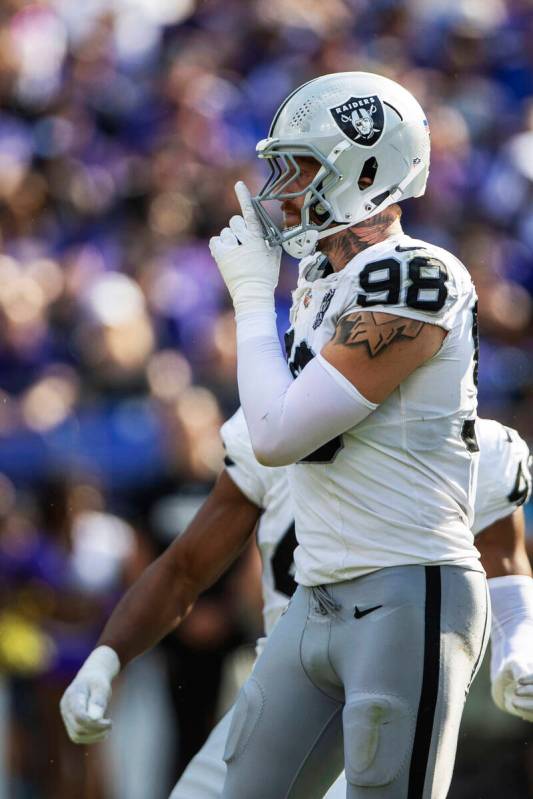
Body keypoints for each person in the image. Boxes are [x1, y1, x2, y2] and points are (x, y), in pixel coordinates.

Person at [207, 71, 495, 798]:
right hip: (317, 592)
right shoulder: (318, 277)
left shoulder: (416, 278)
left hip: (408, 588)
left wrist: (247, 298)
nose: (282, 186)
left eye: (301, 166)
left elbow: (276, 436)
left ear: (368, 171)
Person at [59, 412, 533, 799]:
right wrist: (107, 657)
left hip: (392, 695)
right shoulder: (277, 425)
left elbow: (507, 563)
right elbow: (185, 567)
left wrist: (519, 643)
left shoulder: (473, 445)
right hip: (279, 685)